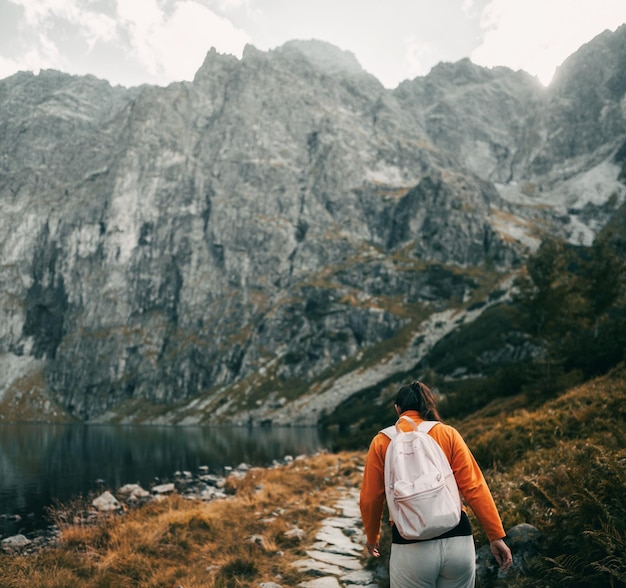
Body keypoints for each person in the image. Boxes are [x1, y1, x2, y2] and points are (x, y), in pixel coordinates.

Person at [360, 381, 512, 588]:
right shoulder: (447, 433)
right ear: (428, 406)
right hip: (457, 538)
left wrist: (372, 536)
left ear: (398, 409)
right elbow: (474, 487)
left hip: (410, 545)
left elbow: (371, 498)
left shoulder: (382, 441)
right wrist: (495, 535)